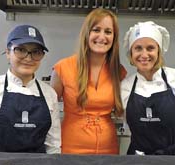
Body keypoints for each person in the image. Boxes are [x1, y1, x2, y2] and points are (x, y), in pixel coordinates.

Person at [0, 25, 61, 153]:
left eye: (36, 52)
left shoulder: (49, 94)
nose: (28, 58)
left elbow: (53, 145)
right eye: (21, 50)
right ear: (7, 53)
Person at [50, 8, 126, 154]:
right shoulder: (62, 68)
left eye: (108, 32)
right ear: (87, 33)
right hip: (70, 147)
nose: (102, 37)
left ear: (114, 38)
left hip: (108, 149)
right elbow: (48, 113)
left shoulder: (119, 71)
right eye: (96, 30)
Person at [121, 21, 175, 155]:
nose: (144, 54)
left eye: (150, 48)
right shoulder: (125, 86)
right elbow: (129, 126)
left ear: (159, 50)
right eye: (138, 48)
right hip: (138, 160)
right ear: (131, 53)